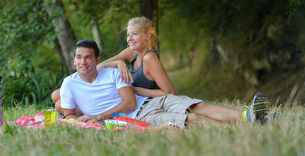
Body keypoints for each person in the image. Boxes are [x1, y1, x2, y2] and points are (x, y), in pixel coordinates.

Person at [59, 39, 270, 127]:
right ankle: (243, 128)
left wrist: (97, 116)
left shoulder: (112, 74)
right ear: (74, 59)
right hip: (136, 117)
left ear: (96, 60)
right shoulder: (69, 83)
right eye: (78, 57)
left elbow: (130, 102)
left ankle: (248, 116)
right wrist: (79, 120)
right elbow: (68, 114)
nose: (82, 62)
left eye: (87, 57)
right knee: (192, 117)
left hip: (144, 103)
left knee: (198, 104)